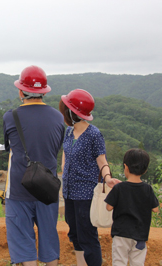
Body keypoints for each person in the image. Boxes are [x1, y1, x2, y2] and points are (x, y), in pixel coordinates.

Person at [3, 65, 65, 266]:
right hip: (47, 187)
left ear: (21, 92)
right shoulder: (58, 117)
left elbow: (9, 146)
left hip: (20, 187)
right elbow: (55, 147)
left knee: (22, 242)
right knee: (48, 237)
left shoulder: (10, 117)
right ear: (44, 92)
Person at [59, 89, 120, 266]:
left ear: (72, 112)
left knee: (88, 235)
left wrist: (108, 178)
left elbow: (102, 160)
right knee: (75, 233)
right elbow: (65, 152)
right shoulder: (69, 132)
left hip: (85, 194)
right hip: (69, 192)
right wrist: (64, 168)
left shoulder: (94, 134)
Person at [105, 149, 159, 266]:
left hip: (121, 234)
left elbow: (109, 207)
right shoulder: (147, 189)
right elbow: (155, 209)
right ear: (145, 170)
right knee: (138, 263)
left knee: (119, 262)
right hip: (140, 234)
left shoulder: (119, 188)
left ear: (126, 167)